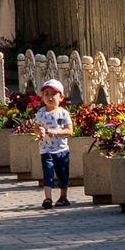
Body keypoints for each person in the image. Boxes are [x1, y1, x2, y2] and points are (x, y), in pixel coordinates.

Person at [32, 78, 75, 209]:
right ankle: (48, 198)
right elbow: (35, 128)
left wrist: (55, 132)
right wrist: (40, 132)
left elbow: (70, 130)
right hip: (46, 150)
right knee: (48, 173)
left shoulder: (63, 113)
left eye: (53, 94)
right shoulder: (41, 113)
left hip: (61, 150)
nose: (50, 97)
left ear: (61, 97)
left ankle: (63, 197)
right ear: (42, 97)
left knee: (62, 173)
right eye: (46, 94)